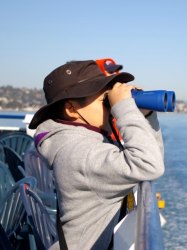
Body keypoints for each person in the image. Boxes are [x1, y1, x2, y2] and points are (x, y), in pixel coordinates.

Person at [29, 58, 165, 249]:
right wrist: (124, 108)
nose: (111, 105)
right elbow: (149, 164)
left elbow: (152, 158)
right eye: (104, 100)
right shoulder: (81, 152)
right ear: (71, 109)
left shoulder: (87, 138)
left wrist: (146, 116)